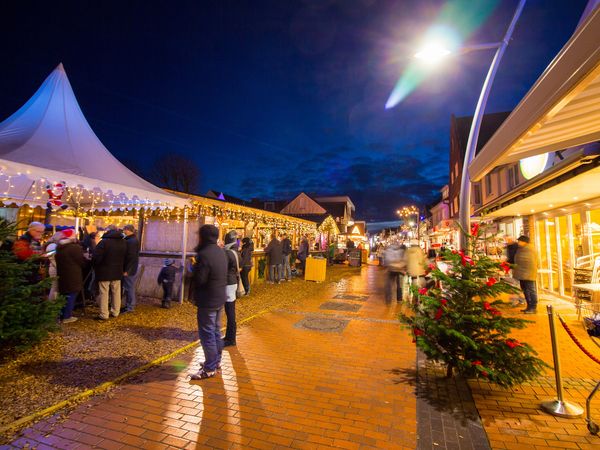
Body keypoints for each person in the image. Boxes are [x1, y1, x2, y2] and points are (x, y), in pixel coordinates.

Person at [191, 224, 228, 380]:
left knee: (207, 333)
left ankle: (210, 368)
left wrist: (192, 268)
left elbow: (200, 280)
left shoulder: (204, 254)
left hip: (208, 299)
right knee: (215, 331)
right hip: (219, 297)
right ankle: (215, 361)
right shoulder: (221, 252)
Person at [92, 225, 127, 320]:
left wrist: (96, 265)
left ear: (108, 231)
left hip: (104, 271)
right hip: (117, 271)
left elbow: (96, 257)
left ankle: (104, 314)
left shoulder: (104, 242)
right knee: (116, 292)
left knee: (104, 293)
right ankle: (115, 312)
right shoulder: (123, 242)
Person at [55, 229, 86, 323]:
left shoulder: (59, 247)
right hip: (73, 274)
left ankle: (61, 315)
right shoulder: (75, 248)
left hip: (62, 273)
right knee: (71, 295)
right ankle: (67, 316)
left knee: (64, 295)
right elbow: (81, 262)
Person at [223, 231, 240, 347]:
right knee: (231, 310)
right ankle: (230, 336)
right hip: (233, 282)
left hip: (228, 283)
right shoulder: (236, 252)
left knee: (229, 312)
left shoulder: (228, 253)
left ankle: (230, 338)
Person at [513, 236, 538, 314]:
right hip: (522, 273)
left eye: (520, 241)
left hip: (528, 274)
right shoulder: (521, 249)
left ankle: (533, 307)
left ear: (525, 242)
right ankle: (529, 306)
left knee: (531, 290)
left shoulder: (529, 249)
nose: (518, 242)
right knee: (525, 290)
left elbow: (530, 262)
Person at [122, 224, 141, 313]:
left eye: (124, 230)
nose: (123, 231)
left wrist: (127, 270)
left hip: (129, 269)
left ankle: (130, 306)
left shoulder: (131, 241)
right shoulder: (133, 240)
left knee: (129, 287)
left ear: (128, 230)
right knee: (129, 287)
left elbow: (131, 257)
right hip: (131, 268)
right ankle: (129, 305)